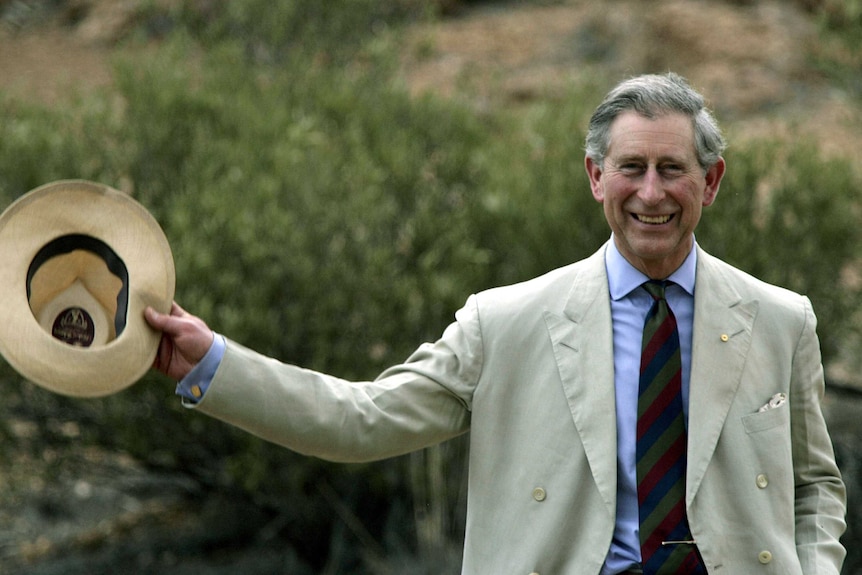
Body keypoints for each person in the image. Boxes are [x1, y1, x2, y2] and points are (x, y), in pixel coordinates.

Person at [145, 72, 846, 574]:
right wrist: (214, 365)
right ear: (596, 177)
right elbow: (360, 420)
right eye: (631, 167)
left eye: (673, 169)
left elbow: (815, 485)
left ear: (711, 181)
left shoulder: (782, 319)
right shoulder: (505, 321)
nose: (652, 192)